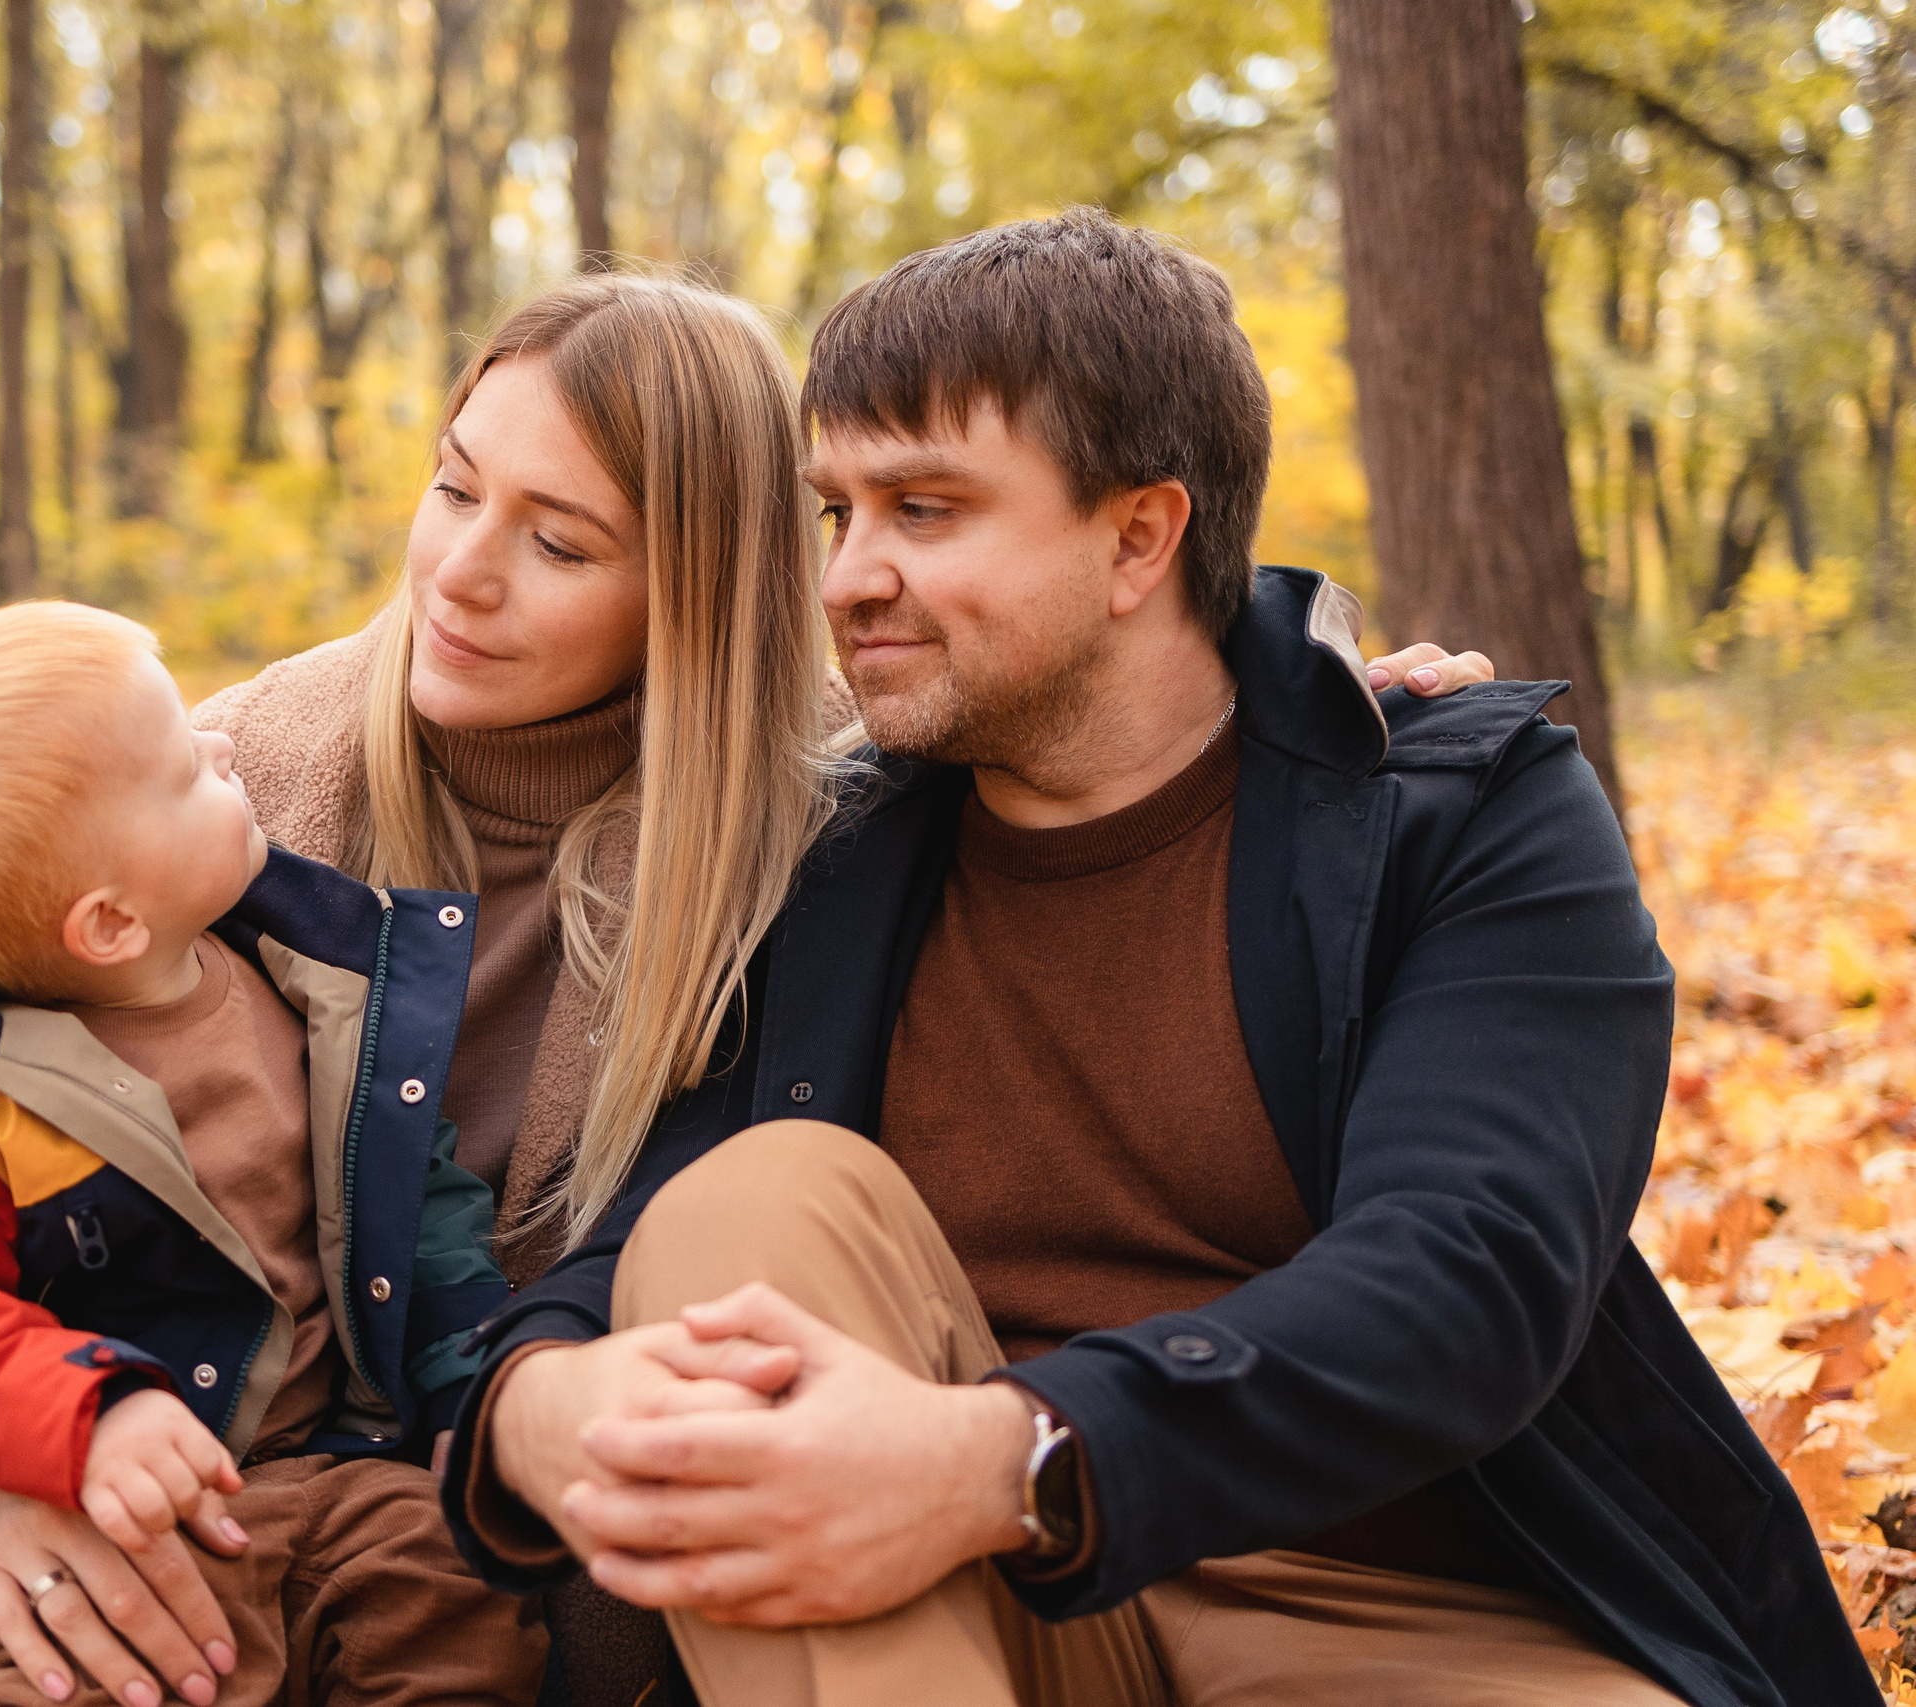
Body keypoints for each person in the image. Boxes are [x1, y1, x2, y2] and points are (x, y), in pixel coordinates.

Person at [0, 269, 1488, 1707]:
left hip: (391, 1516)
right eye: (454, 489)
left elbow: (1104, 689)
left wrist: (1317, 708)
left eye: (561, 543)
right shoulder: (246, 756)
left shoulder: (803, 839)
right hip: (37, 1400)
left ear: (703, 587)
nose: (462, 570)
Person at [445, 214, 1875, 1707]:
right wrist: (534, 1404)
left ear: (1141, 535)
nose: (849, 577)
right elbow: (649, 1227)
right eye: (837, 514)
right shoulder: (838, 853)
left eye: (924, 510)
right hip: (949, 1617)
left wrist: (1007, 1451)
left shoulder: (1456, 819)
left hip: (1406, 1616)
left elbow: (1467, 1281)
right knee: (753, 1195)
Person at [0, 601, 541, 1707]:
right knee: (95, 1668)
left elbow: (415, 1198)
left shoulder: (307, 986)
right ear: (107, 926)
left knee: (449, 1606)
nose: (224, 745)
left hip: (330, 1466)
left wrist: (467, 1381)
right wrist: (79, 1412)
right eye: (185, 768)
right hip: (83, 1505)